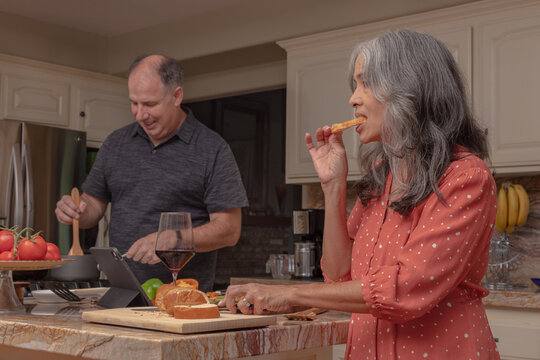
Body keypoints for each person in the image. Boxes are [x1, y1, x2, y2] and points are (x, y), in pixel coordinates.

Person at [220, 30, 500, 359]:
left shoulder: (466, 177)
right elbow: (340, 276)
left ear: (410, 88)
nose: (353, 98)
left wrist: (289, 293)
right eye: (355, 85)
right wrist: (334, 186)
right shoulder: (382, 175)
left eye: (365, 83)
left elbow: (405, 288)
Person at [55, 54, 249, 292]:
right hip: (121, 294)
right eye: (134, 103)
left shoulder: (212, 149)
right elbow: (93, 207)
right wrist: (76, 210)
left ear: (176, 96)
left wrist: (175, 240)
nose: (139, 114)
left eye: (149, 104)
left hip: (183, 297)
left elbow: (229, 229)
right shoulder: (116, 143)